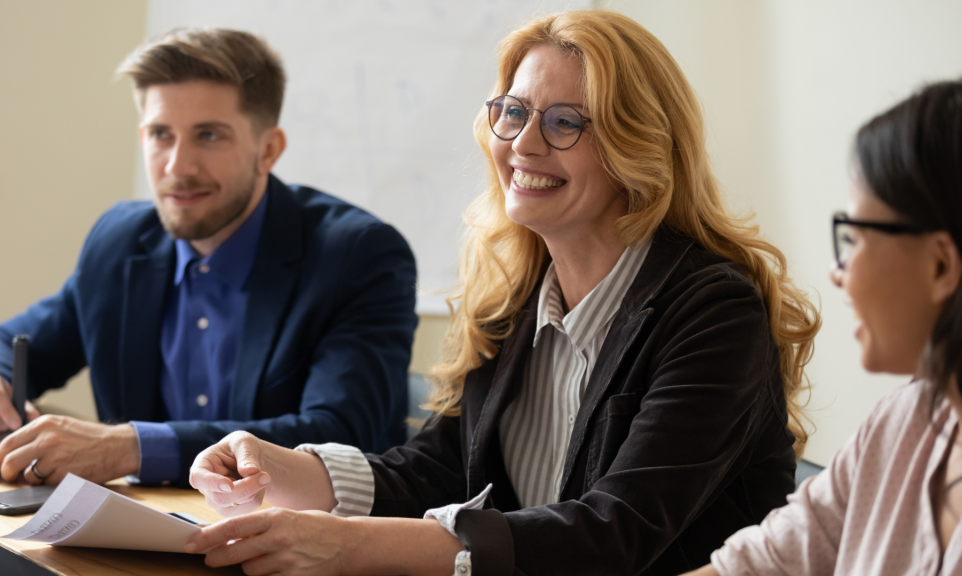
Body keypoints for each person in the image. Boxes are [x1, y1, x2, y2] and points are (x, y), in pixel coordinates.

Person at [184, 11, 819, 576]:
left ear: (640, 150)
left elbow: (614, 534)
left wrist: (349, 546)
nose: (522, 144)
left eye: (565, 122)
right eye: (512, 112)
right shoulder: (513, 295)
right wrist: (275, 466)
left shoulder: (711, 310)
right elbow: (437, 469)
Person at [0, 28, 418, 488]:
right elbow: (18, 342)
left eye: (209, 135)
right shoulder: (122, 239)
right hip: (139, 534)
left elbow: (339, 436)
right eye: (160, 134)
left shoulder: (359, 255)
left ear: (267, 149)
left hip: (296, 544)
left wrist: (130, 447)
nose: (177, 167)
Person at [682, 81, 962, 575]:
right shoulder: (903, 424)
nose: (839, 271)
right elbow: (759, 564)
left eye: (853, 237)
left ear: (941, 266)